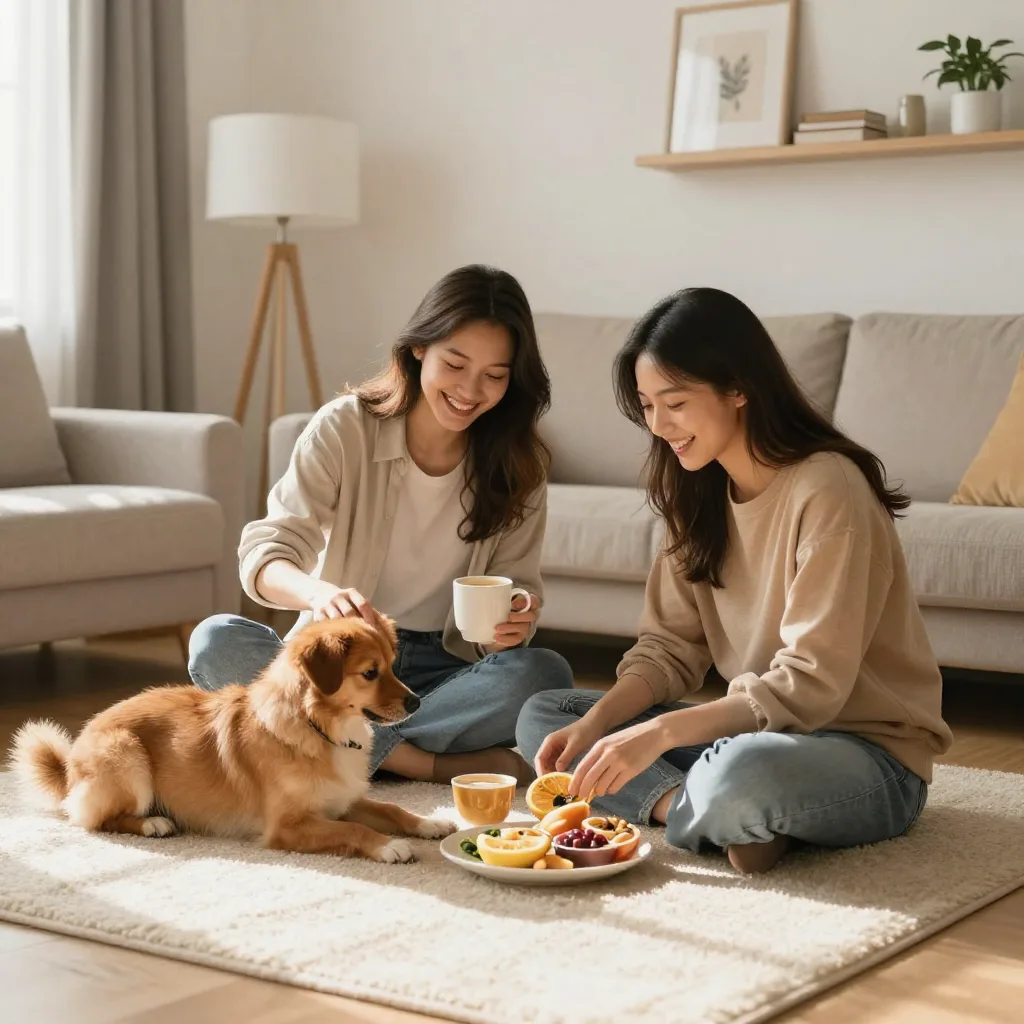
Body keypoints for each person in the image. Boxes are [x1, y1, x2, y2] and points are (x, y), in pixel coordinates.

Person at [516, 287, 953, 873]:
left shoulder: (829, 489)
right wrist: (598, 725)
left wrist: (659, 736)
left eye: (675, 402)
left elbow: (811, 686)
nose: (659, 425)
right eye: (646, 406)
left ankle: (724, 807)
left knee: (739, 777)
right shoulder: (693, 487)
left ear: (738, 388)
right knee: (548, 715)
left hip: (867, 753)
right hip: (757, 732)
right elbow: (668, 649)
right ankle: (704, 813)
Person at [189, 264, 572, 784]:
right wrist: (317, 593)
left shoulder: (521, 464)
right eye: (455, 364)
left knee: (542, 673)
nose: (470, 390)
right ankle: (421, 762)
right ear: (418, 349)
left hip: (446, 668)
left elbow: (517, 586)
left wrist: (512, 624)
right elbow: (266, 552)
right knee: (216, 641)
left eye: (495, 375)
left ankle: (338, 743)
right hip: (343, 665)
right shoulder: (345, 427)